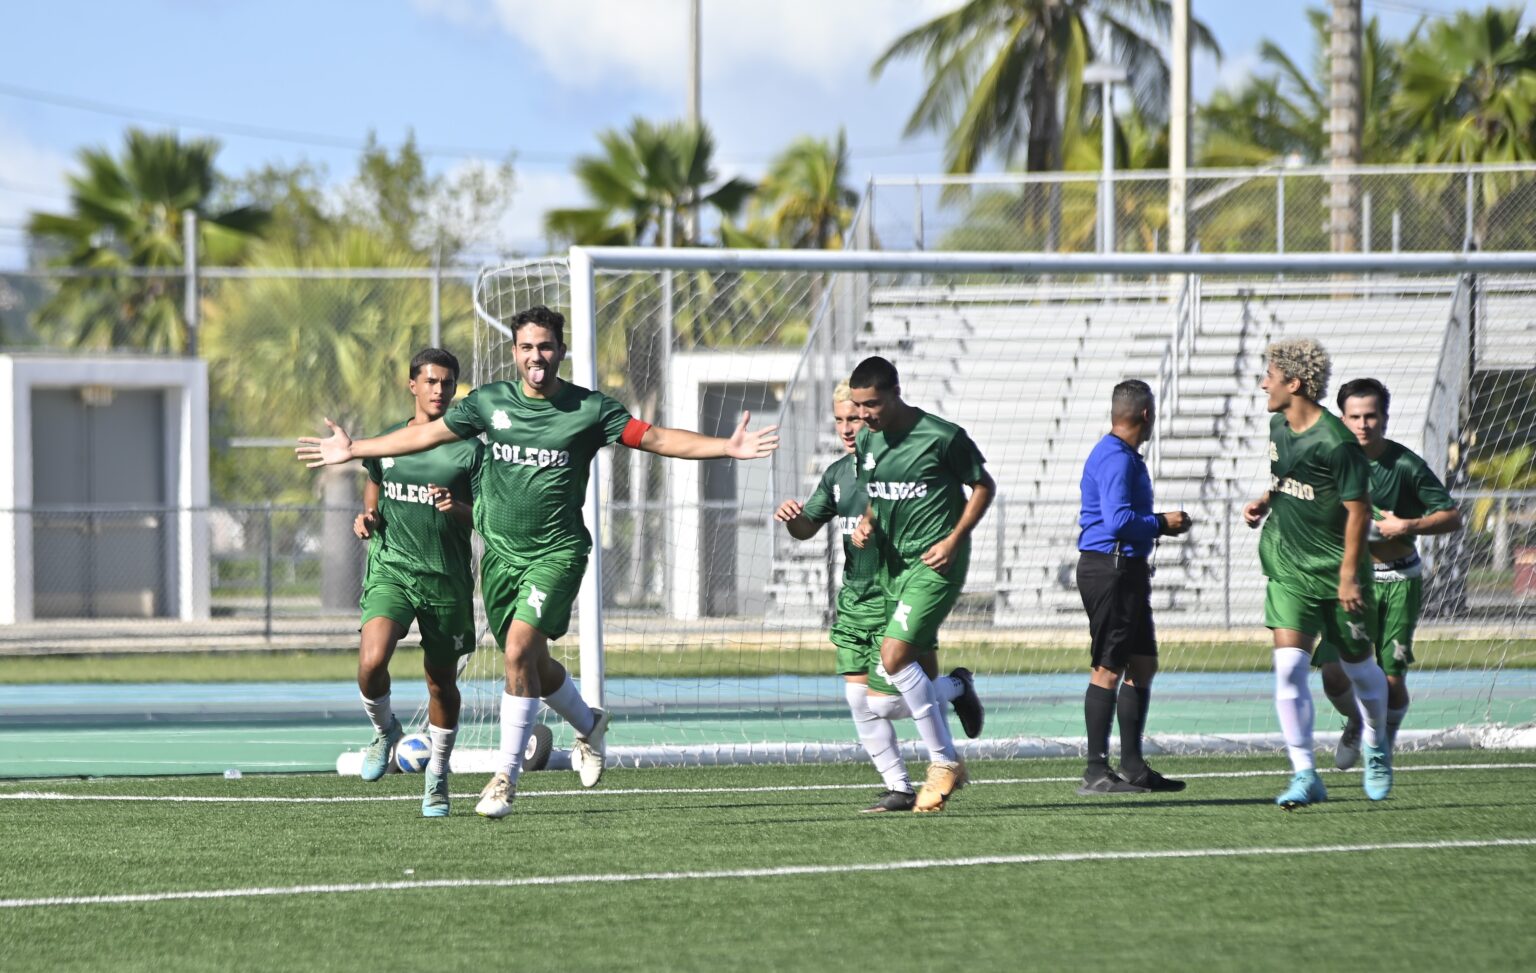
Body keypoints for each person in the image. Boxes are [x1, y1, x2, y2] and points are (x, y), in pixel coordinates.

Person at [299, 305, 779, 819]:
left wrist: (724, 447)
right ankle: (588, 723)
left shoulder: (589, 410)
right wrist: (355, 450)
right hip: (501, 558)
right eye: (527, 347)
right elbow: (424, 435)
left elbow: (656, 438)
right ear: (514, 351)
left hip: (556, 554)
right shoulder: (489, 403)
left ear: (561, 351)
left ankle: (504, 778)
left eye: (545, 347)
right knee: (529, 662)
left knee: (518, 651)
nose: (536, 356)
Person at [775, 380, 984, 813]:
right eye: (840, 419)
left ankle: (954, 705)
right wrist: (792, 520)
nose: (848, 426)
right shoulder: (837, 475)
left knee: (888, 701)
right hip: (856, 600)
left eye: (855, 415)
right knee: (860, 700)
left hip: (898, 591)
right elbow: (807, 527)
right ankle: (899, 787)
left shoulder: (899, 457)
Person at [1243, 339, 1393, 809]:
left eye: (1270, 374)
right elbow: (1284, 476)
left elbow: (1357, 511)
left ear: (1295, 382)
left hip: (1338, 574)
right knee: (1288, 671)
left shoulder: (1337, 442)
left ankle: (1375, 742)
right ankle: (1306, 774)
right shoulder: (1277, 425)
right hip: (1289, 568)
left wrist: (1350, 576)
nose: (1263, 383)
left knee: (1360, 671)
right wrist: (1265, 500)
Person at [847, 356, 995, 813]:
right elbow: (878, 494)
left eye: (871, 404)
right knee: (891, 702)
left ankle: (944, 762)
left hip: (936, 564)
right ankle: (955, 688)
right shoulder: (868, 441)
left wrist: (954, 539)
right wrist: (867, 522)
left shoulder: (942, 436)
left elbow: (983, 486)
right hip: (893, 568)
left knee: (893, 658)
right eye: (857, 407)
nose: (863, 415)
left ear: (894, 392)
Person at [351, 348, 481, 818]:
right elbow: (375, 485)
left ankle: (438, 775)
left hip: (446, 581)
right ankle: (385, 729)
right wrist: (367, 516)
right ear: (413, 385)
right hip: (393, 569)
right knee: (371, 662)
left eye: (447, 383)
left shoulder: (470, 449)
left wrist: (460, 508)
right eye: (430, 382)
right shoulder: (389, 442)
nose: (439, 390)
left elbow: (490, 516)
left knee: (441, 684)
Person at [1313, 378, 1463, 768]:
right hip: (1350, 581)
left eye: (1371, 416)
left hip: (1399, 580)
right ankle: (1355, 722)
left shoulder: (1406, 465)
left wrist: (1407, 526)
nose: (1363, 424)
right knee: (1332, 675)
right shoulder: (1329, 460)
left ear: (1385, 418)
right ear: (1341, 419)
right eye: (1355, 417)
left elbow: (1451, 518)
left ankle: (1383, 746)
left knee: (1392, 681)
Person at [1074, 380, 1192, 795]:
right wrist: (1163, 523)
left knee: (1142, 663)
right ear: (1147, 415)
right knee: (1108, 667)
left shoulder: (1122, 455)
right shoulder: (1116, 459)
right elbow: (1118, 521)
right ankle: (1094, 771)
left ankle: (1133, 766)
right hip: (1111, 568)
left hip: (1127, 568)